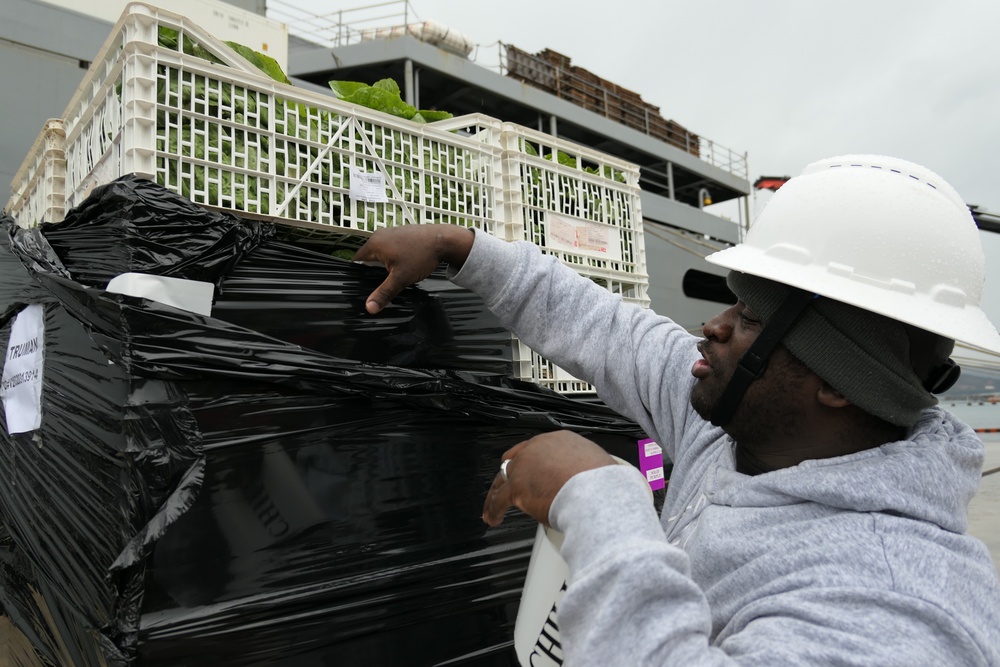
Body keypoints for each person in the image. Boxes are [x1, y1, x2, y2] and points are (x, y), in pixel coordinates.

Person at [353, 155, 1000, 665]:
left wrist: (596, 495)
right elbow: (610, 330)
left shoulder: (903, 606)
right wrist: (460, 247)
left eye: (749, 317)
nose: (712, 327)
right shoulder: (739, 427)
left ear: (835, 381)